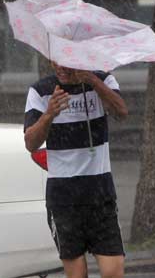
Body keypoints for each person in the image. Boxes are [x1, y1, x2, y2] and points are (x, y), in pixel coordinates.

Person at [24, 61, 128, 278]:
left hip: (100, 193)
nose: (61, 67)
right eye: (56, 61)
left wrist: (92, 80)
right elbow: (30, 143)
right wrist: (49, 113)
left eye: (68, 62)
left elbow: (121, 112)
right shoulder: (41, 91)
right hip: (63, 197)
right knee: (77, 274)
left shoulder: (103, 79)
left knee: (113, 272)